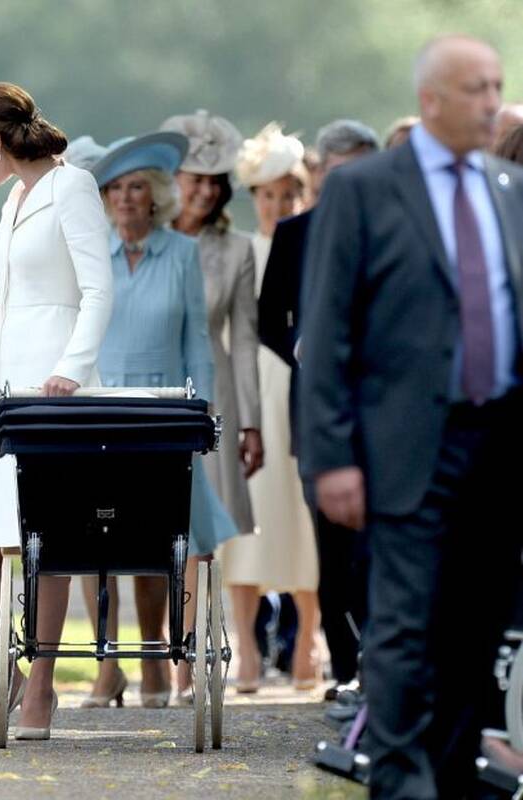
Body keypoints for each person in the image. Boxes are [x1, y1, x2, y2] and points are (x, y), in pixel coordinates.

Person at [298, 35, 523, 798]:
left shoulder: (508, 187)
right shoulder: (364, 190)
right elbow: (326, 330)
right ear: (430, 100)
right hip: (402, 450)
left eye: (495, 86)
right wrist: (330, 457)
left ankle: (451, 781)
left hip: (497, 449)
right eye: (474, 89)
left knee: (474, 631)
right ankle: (399, 784)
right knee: (401, 630)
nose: (491, 103)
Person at [0, 52, 113, 740]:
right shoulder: (9, 198)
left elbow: (97, 288)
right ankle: (0, 665)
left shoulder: (72, 186)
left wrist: (73, 366)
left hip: (52, 370)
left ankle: (41, 683)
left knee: (42, 533)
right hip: (0, 366)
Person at [76, 131, 235, 709]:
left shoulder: (182, 253)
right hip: (99, 411)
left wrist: (200, 412)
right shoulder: (91, 254)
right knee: (94, 543)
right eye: (115, 188)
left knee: (152, 541)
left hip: (163, 413)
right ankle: (106, 666)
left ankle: (152, 660)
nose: (125, 197)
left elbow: (197, 340)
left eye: (136, 187)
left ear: (156, 196)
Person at [259, 119, 380, 696]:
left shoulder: (394, 229)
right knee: (331, 548)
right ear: (320, 175)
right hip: (317, 412)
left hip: (384, 412)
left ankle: (382, 665)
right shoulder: (295, 233)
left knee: (376, 548)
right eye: (340, 173)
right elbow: (268, 320)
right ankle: (348, 668)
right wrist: (300, 346)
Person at [160, 110, 262, 696]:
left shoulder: (238, 249)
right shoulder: (145, 240)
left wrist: (251, 422)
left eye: (213, 181)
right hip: (152, 383)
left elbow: (244, 340)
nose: (203, 190)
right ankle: (154, 653)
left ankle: (189, 652)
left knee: (202, 531)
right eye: (193, 178)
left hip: (213, 392)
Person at [219, 122, 320, 691]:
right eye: (268, 195)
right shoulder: (240, 252)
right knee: (249, 515)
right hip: (249, 389)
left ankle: (308, 641)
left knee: (301, 514)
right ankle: (248, 649)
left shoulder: (311, 248)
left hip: (298, 389)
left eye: (289, 195)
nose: (278, 206)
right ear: (253, 197)